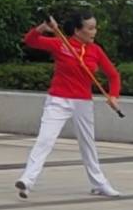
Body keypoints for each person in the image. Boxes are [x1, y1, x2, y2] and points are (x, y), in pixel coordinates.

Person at [16, 13, 123, 200]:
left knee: (87, 144)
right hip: (58, 100)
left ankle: (99, 184)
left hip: (83, 103)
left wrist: (113, 96)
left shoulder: (95, 50)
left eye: (95, 28)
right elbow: (30, 40)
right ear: (77, 30)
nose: (94, 32)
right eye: (90, 28)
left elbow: (113, 75)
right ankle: (27, 180)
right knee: (45, 139)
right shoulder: (61, 44)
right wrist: (42, 28)